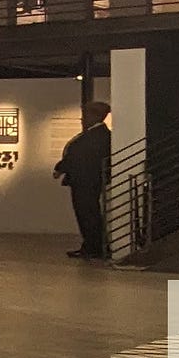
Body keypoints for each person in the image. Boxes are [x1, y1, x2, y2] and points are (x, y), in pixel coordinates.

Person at [54, 101, 112, 259]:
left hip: (87, 181)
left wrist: (61, 167)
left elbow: (78, 156)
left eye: (86, 115)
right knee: (87, 214)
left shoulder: (97, 136)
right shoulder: (96, 135)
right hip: (85, 180)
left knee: (88, 214)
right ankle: (91, 245)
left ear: (96, 116)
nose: (82, 119)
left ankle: (93, 247)